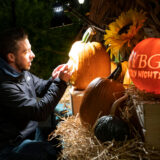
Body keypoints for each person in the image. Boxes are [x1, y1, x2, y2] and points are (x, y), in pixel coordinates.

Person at [0, 28, 72, 160]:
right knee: (52, 153)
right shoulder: (5, 87)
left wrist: (54, 79)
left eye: (30, 49)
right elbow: (40, 112)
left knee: (60, 130)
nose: (32, 55)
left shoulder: (22, 72)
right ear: (11, 57)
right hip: (13, 146)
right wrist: (60, 83)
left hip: (31, 133)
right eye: (26, 52)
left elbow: (43, 88)